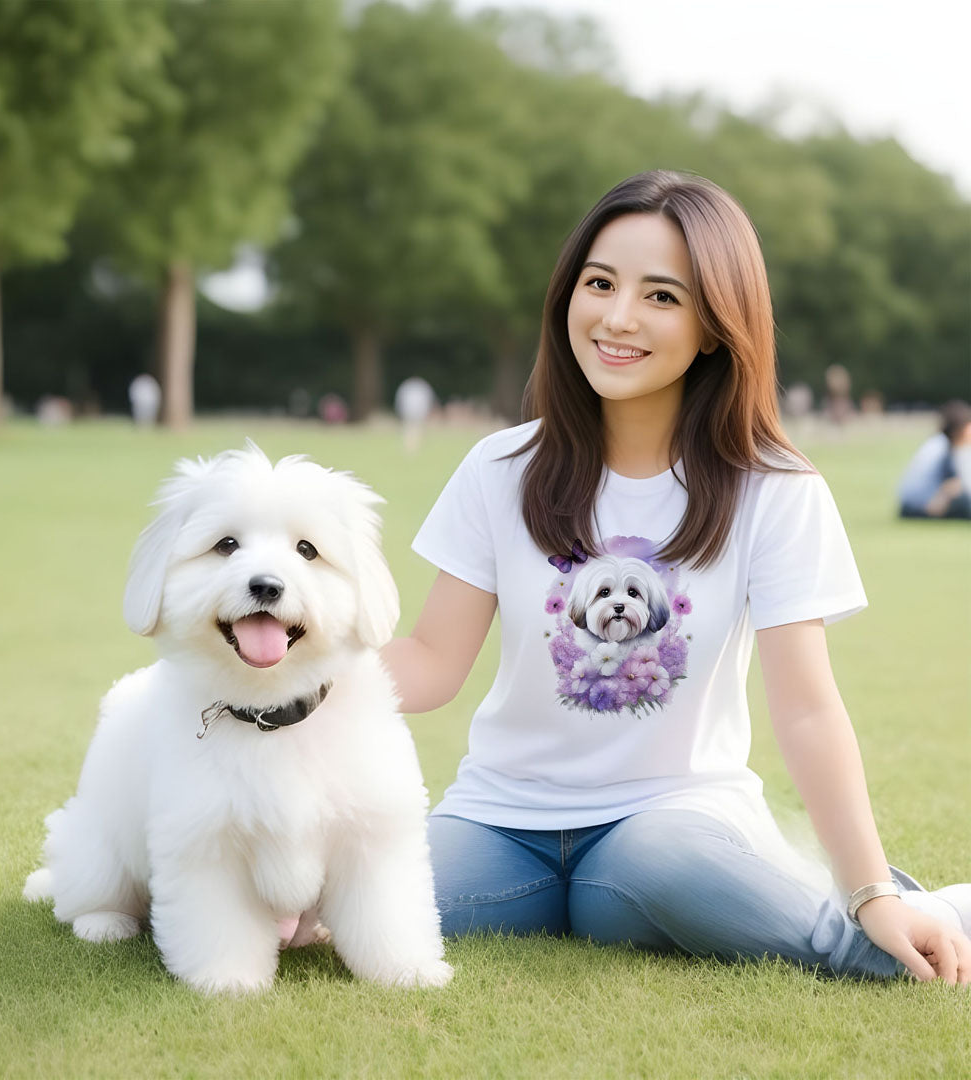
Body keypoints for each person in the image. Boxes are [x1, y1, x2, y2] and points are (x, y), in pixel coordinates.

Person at [381, 171, 970, 985]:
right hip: (498, 826)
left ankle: (926, 915)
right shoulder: (499, 468)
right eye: (599, 283)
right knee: (343, 907)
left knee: (698, 880)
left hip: (667, 828)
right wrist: (281, 678)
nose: (617, 317)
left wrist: (871, 890)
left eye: (661, 297)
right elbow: (430, 660)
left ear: (715, 327)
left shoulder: (774, 488)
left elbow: (806, 709)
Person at [897, 401, 971, 519]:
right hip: (922, 506)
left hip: (909, 505)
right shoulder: (946, 448)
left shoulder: (937, 442)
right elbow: (952, 485)